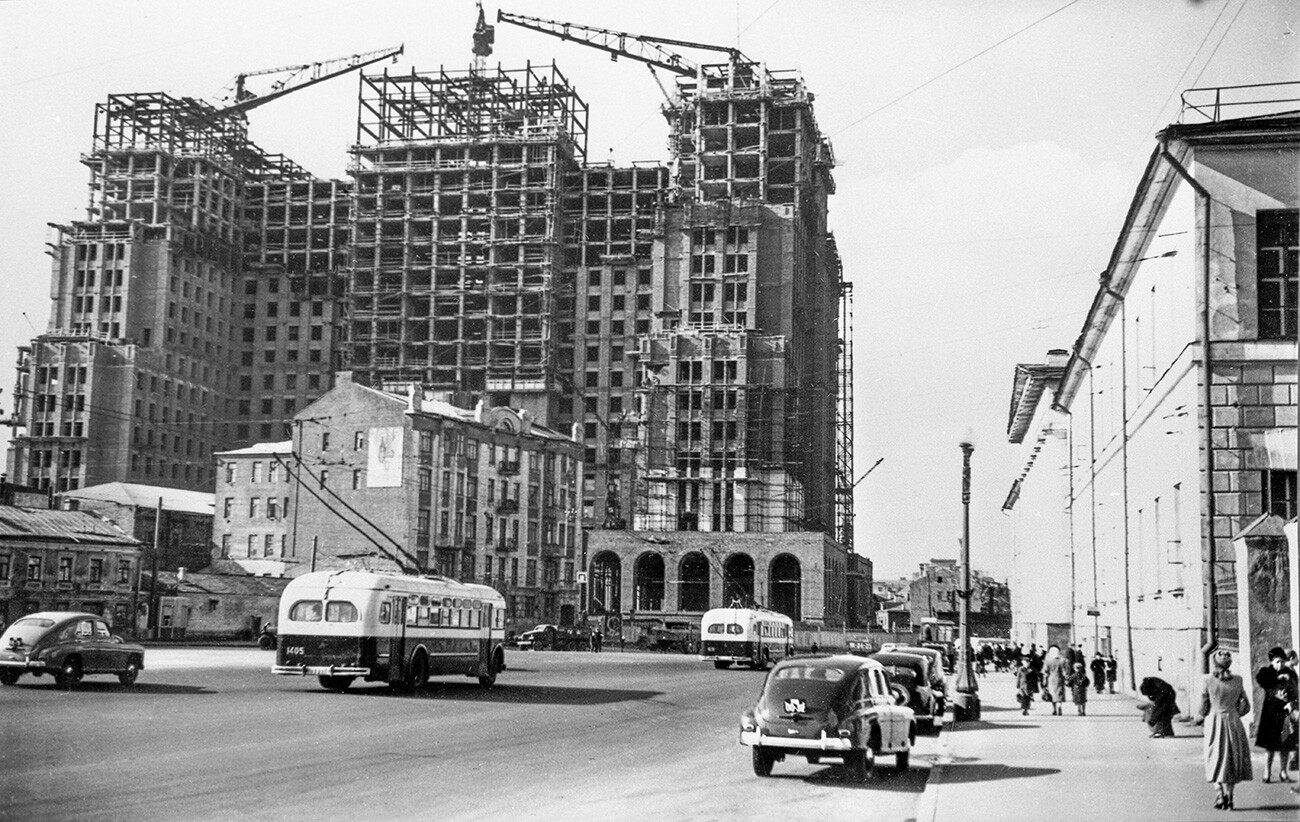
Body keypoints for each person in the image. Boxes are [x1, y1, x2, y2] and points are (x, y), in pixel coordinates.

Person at [1195, 650, 1253, 810]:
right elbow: (1246, 706)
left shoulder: (1207, 679)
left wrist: (1200, 717)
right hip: (1233, 721)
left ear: (1214, 662)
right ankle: (1230, 796)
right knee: (1232, 759)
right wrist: (1235, 713)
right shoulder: (1238, 680)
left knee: (1215, 757)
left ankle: (1220, 794)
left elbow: (1203, 706)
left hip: (1214, 721)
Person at [1255, 646, 1298, 782]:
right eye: (1277, 662)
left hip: (1284, 711)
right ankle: (1267, 771)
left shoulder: (1290, 673)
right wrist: (1278, 677)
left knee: (1285, 745)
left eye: (1282, 661)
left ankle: (1283, 772)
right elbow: (1263, 681)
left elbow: (1295, 690)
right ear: (1272, 662)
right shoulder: (1266, 672)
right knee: (1270, 745)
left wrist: (1292, 702)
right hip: (1271, 712)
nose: (1280, 665)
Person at [1042, 644, 1068, 716]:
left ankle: (1054, 709)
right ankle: (1059, 706)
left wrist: (1044, 680)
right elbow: (1064, 671)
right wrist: (1066, 679)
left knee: (1052, 694)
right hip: (1059, 679)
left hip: (1051, 679)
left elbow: (1045, 672)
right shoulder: (1062, 661)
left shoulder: (1048, 661)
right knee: (1059, 694)